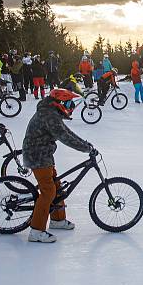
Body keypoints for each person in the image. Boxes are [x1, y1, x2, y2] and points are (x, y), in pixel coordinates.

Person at [22, 88, 94, 243]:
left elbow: (67, 132)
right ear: (61, 102)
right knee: (48, 191)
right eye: (69, 103)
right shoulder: (49, 115)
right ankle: (36, 231)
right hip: (37, 156)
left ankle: (58, 220)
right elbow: (64, 137)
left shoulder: (51, 112)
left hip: (44, 154)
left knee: (57, 187)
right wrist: (85, 148)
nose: (71, 107)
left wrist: (86, 145)